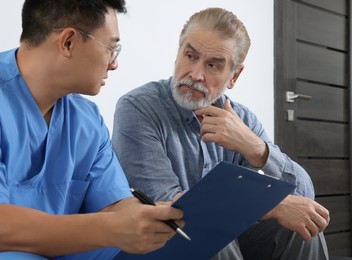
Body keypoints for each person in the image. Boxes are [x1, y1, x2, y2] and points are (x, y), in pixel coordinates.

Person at [112, 7, 330, 260]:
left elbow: (303, 198)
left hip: (222, 237)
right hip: (160, 240)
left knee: (301, 229)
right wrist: (271, 205)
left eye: (213, 65)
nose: (195, 74)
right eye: (190, 55)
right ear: (178, 53)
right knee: (208, 232)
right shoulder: (139, 107)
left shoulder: (241, 119)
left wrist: (257, 149)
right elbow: (167, 204)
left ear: (234, 76)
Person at [0, 0, 185, 259]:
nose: (114, 63)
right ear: (68, 42)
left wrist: (151, 216)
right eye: (112, 48)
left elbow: (114, 204)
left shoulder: (86, 119)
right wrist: (109, 227)